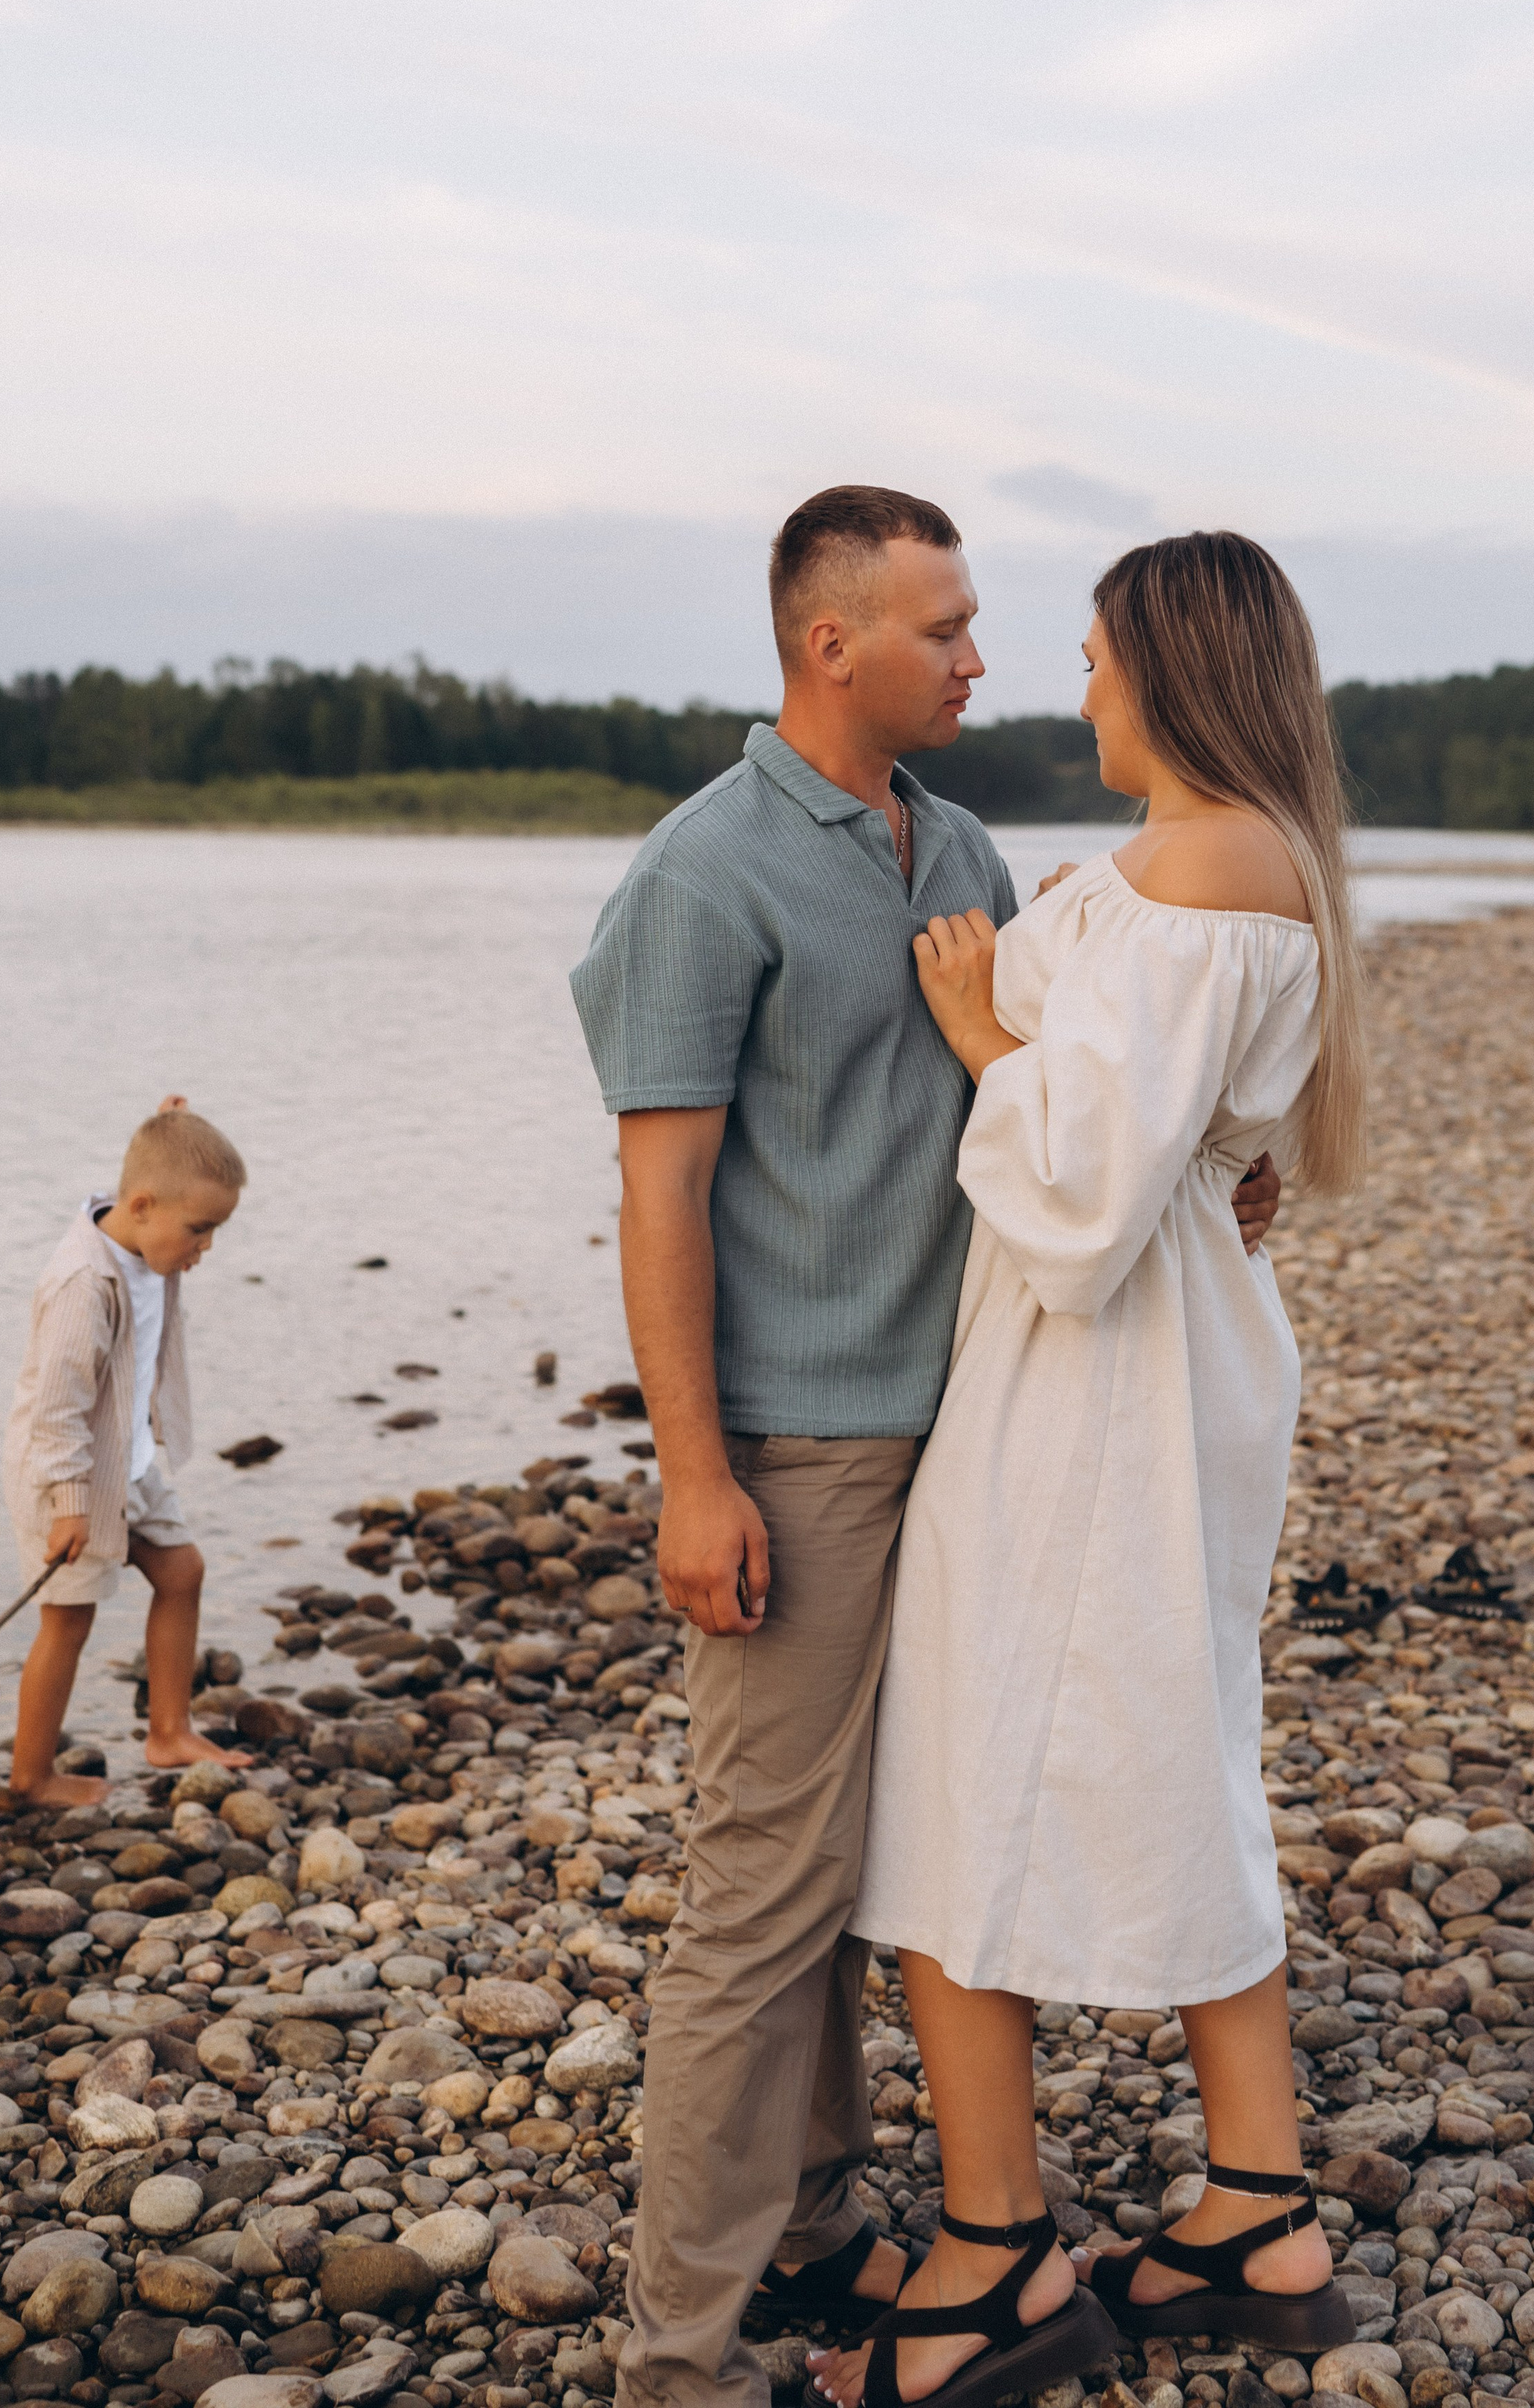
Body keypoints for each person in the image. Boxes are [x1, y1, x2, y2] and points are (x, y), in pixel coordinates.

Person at [568, 488, 1283, 2408]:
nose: (985, 657)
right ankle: (684, 2361)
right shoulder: (699, 877)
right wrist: (692, 1472)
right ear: (830, 647)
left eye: (984, 625)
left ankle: (817, 2226)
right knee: (757, 1896)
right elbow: (663, 1197)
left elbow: (1082, 1090)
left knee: (855, 1865)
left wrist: (1221, 1166)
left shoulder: (961, 843)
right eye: (948, 629)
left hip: (979, 1434)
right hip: (798, 1452)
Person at [806, 531, 1367, 2408]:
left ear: (1173, 671)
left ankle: (993, 2252)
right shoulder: (1224, 865)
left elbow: (1079, 1198)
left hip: (1093, 1375)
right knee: (1181, 1745)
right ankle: (1255, 2205)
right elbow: (1179, 1128)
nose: (1078, 683)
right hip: (1162, 1352)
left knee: (967, 1767)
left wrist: (982, 1035)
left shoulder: (1203, 867)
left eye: (1100, 655)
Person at [1, 1097, 254, 1808]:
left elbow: (156, 1173)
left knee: (181, 1571)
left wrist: (166, 1123)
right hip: (66, 1473)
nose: (204, 1248)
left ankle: (168, 1731)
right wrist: (70, 1506)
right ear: (141, 1207)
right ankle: (30, 1776)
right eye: (200, 1231)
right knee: (68, 1617)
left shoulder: (144, 1230)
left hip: (128, 1459)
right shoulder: (83, 1284)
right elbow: (57, 1412)